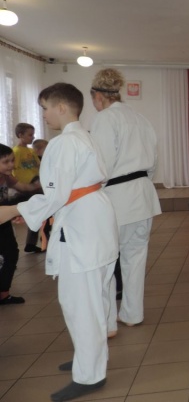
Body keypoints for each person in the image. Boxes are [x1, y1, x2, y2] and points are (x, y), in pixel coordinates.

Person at [0, 83, 119, 402]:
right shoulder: (86, 137)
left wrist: (12, 210)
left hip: (82, 226)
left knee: (81, 303)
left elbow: (55, 195)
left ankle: (90, 374)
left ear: (62, 108)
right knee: (96, 298)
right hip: (96, 219)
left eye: (45, 108)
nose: (44, 115)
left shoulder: (64, 143)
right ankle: (90, 357)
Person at [89, 68, 162, 333]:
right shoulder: (140, 119)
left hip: (116, 197)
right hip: (142, 194)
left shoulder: (105, 119)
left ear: (98, 96)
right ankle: (132, 313)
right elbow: (153, 161)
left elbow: (102, 165)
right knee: (135, 258)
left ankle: (108, 323)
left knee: (107, 261)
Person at [0, 144, 41, 305]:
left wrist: (38, 186)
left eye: (12, 160)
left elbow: (23, 187)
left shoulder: (6, 177)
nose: (11, 165)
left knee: (11, 253)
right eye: (6, 162)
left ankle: (4, 294)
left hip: (4, 221)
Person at [12, 122, 43, 253]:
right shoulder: (16, 152)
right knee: (34, 214)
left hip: (36, 186)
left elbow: (39, 166)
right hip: (25, 188)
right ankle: (30, 243)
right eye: (30, 135)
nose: (33, 137)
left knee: (38, 214)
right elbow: (12, 169)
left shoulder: (31, 151)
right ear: (20, 135)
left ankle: (32, 243)